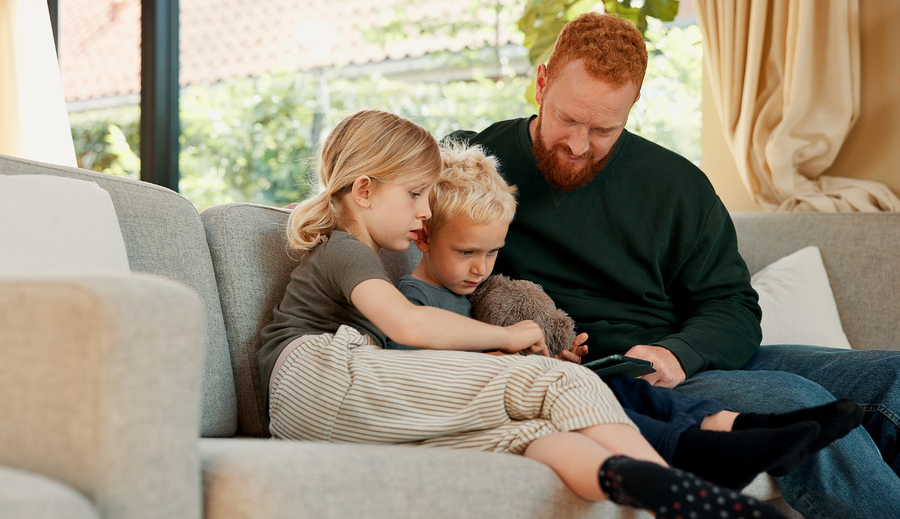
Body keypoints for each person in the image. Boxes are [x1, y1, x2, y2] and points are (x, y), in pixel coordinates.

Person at [448, 11, 900, 519]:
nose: (579, 145)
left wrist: (676, 353)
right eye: (568, 119)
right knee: (800, 407)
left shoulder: (677, 184)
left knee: (894, 378)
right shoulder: (477, 165)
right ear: (541, 82)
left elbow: (731, 304)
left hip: (683, 362)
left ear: (633, 105)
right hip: (613, 378)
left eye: (603, 129)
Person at [257, 109, 786, 518]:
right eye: (416, 194)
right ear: (364, 190)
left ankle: (639, 486)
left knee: (533, 434)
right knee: (551, 382)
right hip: (317, 377)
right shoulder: (345, 247)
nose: (424, 212)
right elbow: (408, 324)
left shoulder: (366, 249)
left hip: (325, 409)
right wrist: (506, 338)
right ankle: (685, 492)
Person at [390, 139, 860, 490]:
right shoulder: (414, 299)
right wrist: (513, 354)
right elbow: (430, 371)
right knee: (608, 393)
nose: (481, 267)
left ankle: (734, 427)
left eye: (494, 253)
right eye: (467, 251)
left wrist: (553, 360)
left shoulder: (476, 292)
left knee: (616, 384)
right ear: (423, 237)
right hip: (497, 407)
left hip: (534, 386)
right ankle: (701, 445)